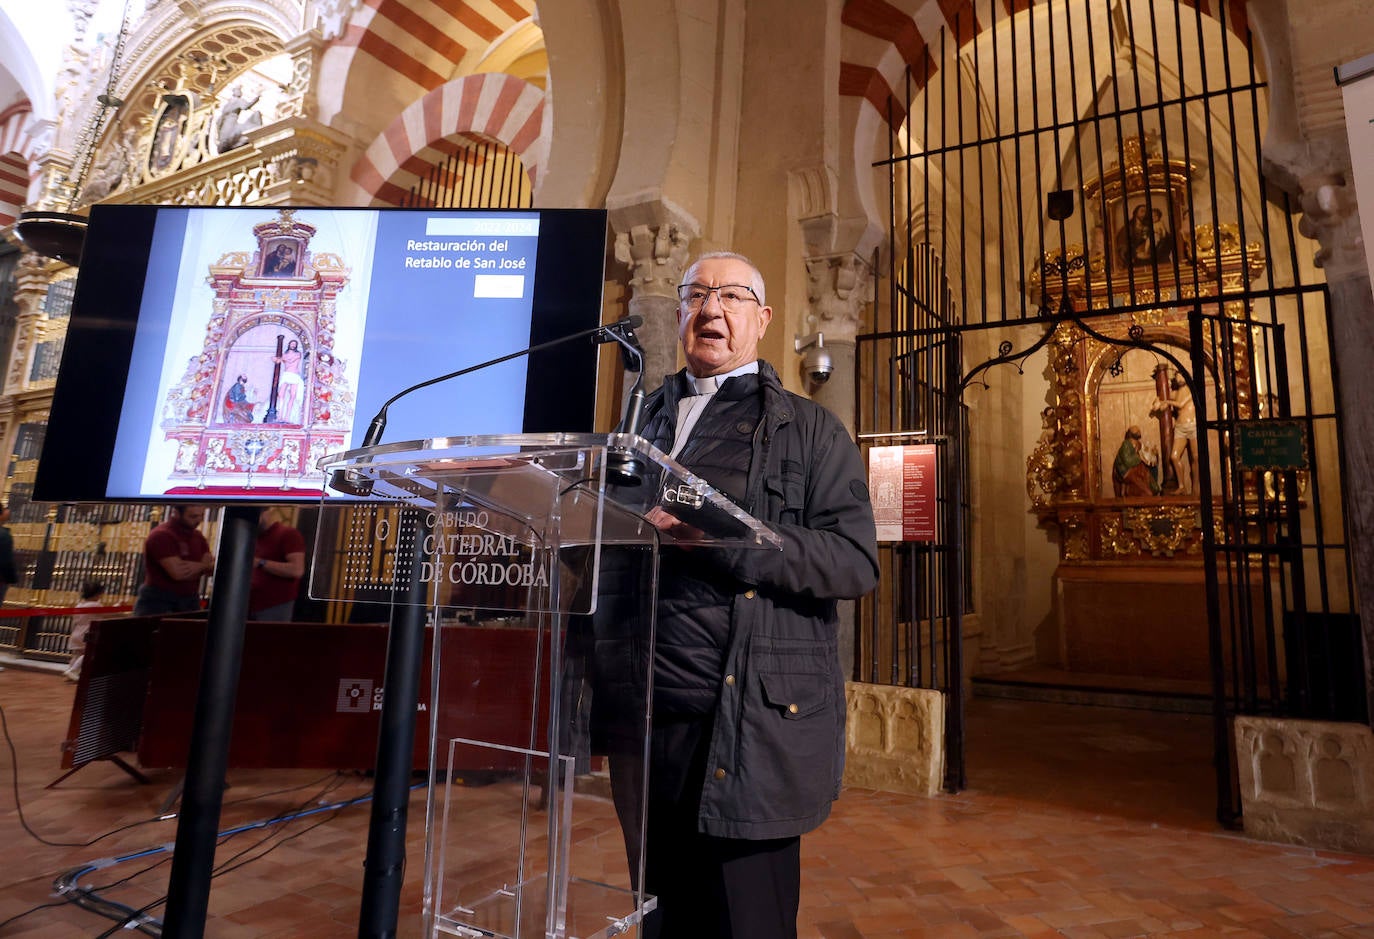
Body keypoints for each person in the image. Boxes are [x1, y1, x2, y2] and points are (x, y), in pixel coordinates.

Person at [597, 251, 879, 938]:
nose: (710, 309)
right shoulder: (638, 426)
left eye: (729, 295)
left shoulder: (810, 430)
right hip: (645, 717)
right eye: (696, 294)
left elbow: (853, 561)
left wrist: (729, 539)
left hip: (748, 722)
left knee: (744, 921)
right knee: (662, 919)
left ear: (761, 318)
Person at [133, 505, 214, 615]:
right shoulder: (161, 535)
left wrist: (200, 567)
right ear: (176, 513)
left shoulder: (198, 536)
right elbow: (178, 573)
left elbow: (212, 568)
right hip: (158, 602)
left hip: (190, 600)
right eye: (193, 516)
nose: (199, 520)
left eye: (201, 516)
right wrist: (203, 566)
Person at [249, 507, 306, 620]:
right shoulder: (253, 537)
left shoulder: (287, 534)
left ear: (267, 513)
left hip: (274, 605)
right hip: (250, 604)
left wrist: (260, 562)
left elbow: (297, 570)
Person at [1152, 373, 1198, 495]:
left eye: (1181, 376)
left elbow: (1181, 404)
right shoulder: (1174, 394)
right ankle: (1182, 486)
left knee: (1196, 458)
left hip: (1192, 426)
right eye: (1177, 377)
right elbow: (1162, 407)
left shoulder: (1191, 390)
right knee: (1174, 456)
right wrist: (1157, 403)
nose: (1179, 379)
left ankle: (1196, 487)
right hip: (1180, 428)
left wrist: (1166, 400)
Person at [62, 581, 106, 683]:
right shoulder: (96, 605)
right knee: (89, 653)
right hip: (87, 633)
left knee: (77, 655)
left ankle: (70, 672)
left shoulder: (79, 605)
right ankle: (73, 671)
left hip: (76, 632)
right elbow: (105, 614)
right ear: (96, 594)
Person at [1111, 425, 1160, 497]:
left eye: (1138, 431)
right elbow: (1127, 461)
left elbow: (1147, 456)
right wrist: (1139, 458)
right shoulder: (1126, 444)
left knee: (1149, 476)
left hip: (1138, 469)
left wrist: (1154, 454)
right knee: (1145, 490)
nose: (1139, 432)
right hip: (1127, 471)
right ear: (1131, 434)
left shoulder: (1139, 445)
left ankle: (1153, 489)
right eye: (1136, 431)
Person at [272, 339, 305, 422]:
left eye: (295, 344)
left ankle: (287, 417)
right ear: (289, 344)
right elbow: (278, 361)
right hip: (286, 374)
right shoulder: (284, 354)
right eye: (292, 344)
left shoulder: (298, 354)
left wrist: (280, 359)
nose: (293, 345)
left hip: (294, 375)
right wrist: (274, 359)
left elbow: (291, 361)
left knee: (292, 396)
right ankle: (280, 415)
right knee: (280, 394)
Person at [0, 501, 16, 606]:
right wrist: (10, 579)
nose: (8, 511)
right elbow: (5, 562)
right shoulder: (3, 535)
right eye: (5, 509)